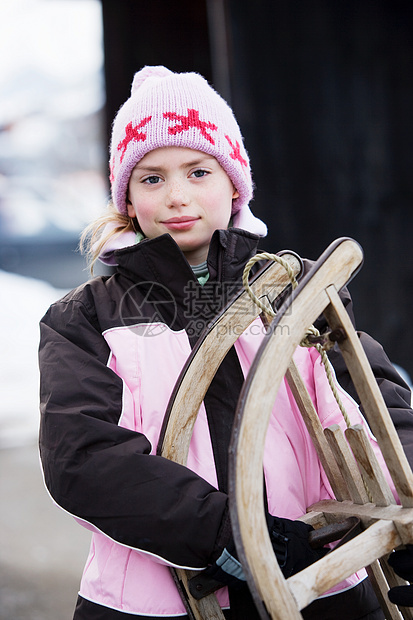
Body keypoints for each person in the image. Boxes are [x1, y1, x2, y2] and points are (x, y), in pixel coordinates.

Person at [38, 66, 413, 620]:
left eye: (197, 170)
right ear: (127, 196)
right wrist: (231, 531)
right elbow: (84, 457)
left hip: (318, 579)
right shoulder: (86, 317)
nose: (177, 196)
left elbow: (376, 408)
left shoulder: (297, 293)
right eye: (152, 178)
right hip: (156, 601)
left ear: (234, 180)